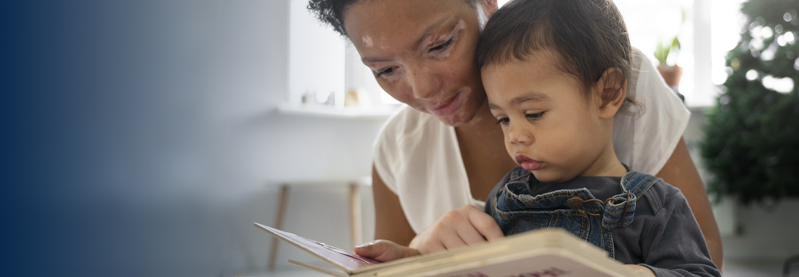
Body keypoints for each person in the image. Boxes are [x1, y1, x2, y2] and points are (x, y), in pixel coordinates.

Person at [306, 0, 724, 269]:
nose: (421, 89)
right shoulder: (402, 150)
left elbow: (702, 257)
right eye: (384, 70)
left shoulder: (608, 76)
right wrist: (419, 252)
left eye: (440, 45)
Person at [475, 0, 719, 276]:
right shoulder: (504, 198)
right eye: (503, 120)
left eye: (533, 113)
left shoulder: (656, 206)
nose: (515, 136)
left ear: (607, 94)